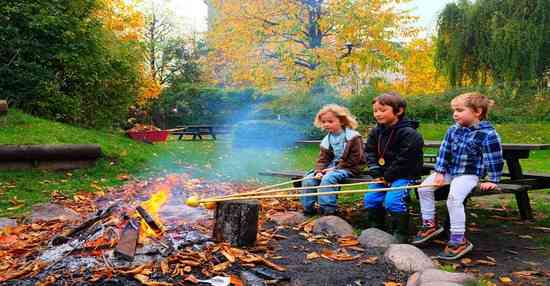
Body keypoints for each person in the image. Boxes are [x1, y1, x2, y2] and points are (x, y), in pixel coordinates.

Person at [412, 92, 504, 260]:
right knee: (423, 188)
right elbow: (444, 152)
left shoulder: (489, 135)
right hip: (450, 171)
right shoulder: (453, 130)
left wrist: (492, 179)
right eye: (454, 110)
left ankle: (458, 239)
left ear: (477, 111)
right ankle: (429, 224)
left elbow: (494, 159)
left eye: (460, 110)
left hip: (469, 174)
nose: (455, 114)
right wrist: (439, 172)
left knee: (453, 199)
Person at [364, 92, 424, 243]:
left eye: (382, 110)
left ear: (399, 111)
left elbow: (405, 160)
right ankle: (376, 228)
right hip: (382, 175)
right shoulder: (375, 131)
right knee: (371, 198)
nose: (378, 114)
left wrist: (388, 177)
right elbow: (369, 152)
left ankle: (401, 232)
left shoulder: (410, 134)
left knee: (393, 201)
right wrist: (375, 169)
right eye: (375, 110)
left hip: (405, 175)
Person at [301, 104, 366, 216]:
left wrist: (335, 169)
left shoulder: (353, 137)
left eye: (330, 121)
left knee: (328, 179)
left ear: (341, 121)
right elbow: (323, 159)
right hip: (333, 166)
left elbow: (355, 158)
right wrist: (319, 171)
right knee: (309, 179)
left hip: (350, 167)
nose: (326, 124)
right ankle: (308, 209)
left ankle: (328, 210)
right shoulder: (327, 139)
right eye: (324, 122)